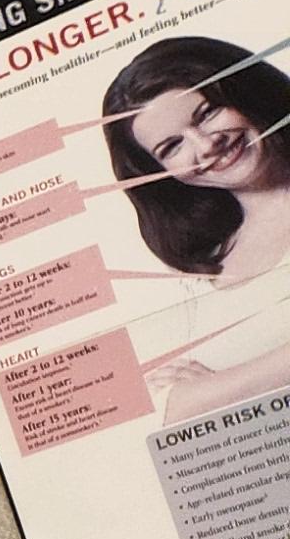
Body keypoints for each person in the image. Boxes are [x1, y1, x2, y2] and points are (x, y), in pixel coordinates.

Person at [103, 36, 290, 411]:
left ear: (244, 91)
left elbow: (191, 401)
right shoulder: (198, 269)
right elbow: (168, 404)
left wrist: (211, 391)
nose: (205, 146)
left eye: (207, 113)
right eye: (172, 147)